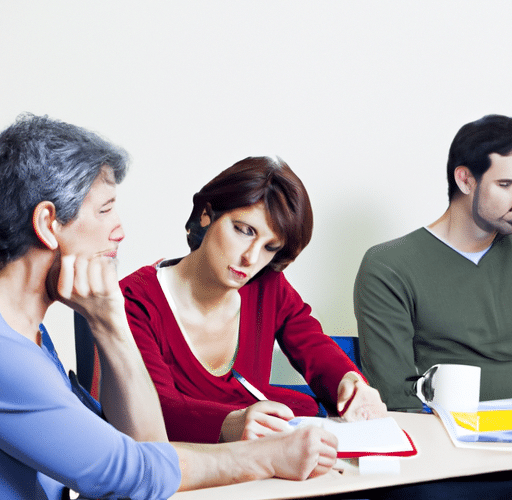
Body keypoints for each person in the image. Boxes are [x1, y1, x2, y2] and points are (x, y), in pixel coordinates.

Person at [0, 114, 339, 500]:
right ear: (48, 223)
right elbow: (129, 473)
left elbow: (148, 451)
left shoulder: (32, 337)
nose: (120, 231)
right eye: (105, 210)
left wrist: (110, 322)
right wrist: (264, 458)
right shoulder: (7, 356)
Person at [121, 156, 386, 444]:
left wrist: (350, 383)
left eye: (270, 247)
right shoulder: (135, 299)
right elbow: (153, 409)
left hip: (264, 459)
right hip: (182, 466)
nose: (251, 258)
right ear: (207, 214)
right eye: (244, 231)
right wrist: (230, 423)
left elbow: (312, 344)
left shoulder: (265, 286)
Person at [354, 114, 512, 411]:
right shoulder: (389, 266)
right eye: (506, 184)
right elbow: (396, 394)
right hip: (450, 436)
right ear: (465, 180)